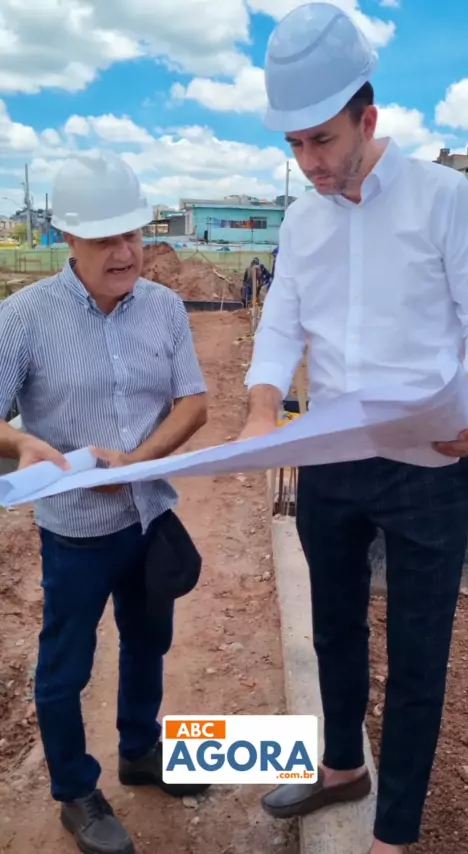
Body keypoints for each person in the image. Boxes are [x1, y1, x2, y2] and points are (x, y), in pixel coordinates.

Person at [240, 5, 468, 854]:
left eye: (323, 140)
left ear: (367, 120)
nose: (310, 162)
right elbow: (281, 323)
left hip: (428, 459)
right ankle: (342, 765)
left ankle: (394, 834)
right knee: (333, 624)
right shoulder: (301, 219)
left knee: (418, 651)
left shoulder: (443, 198)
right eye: (295, 145)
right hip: (333, 454)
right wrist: (263, 406)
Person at [0, 152, 209, 854]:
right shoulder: (24, 318)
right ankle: (74, 791)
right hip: (75, 534)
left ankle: (140, 751)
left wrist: (139, 460)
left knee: (149, 642)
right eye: (104, 239)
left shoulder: (166, 307)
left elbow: (195, 403)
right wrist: (20, 443)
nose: (125, 253)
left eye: (133, 234)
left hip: (147, 518)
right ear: (68, 237)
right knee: (67, 664)